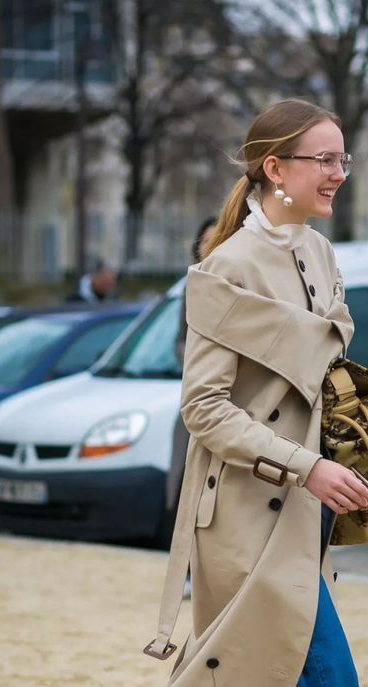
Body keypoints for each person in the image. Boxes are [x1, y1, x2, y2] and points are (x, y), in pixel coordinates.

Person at [112, 98, 368, 687]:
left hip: (306, 513)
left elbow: (319, 381)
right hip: (244, 519)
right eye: (324, 159)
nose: (339, 172)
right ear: (276, 168)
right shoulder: (226, 267)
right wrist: (307, 465)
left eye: (342, 158)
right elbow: (204, 411)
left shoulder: (323, 251)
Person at [165, 217, 218, 598]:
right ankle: (186, 572)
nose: (211, 246)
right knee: (187, 485)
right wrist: (199, 357)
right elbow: (181, 341)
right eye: (206, 240)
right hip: (199, 399)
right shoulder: (193, 283)